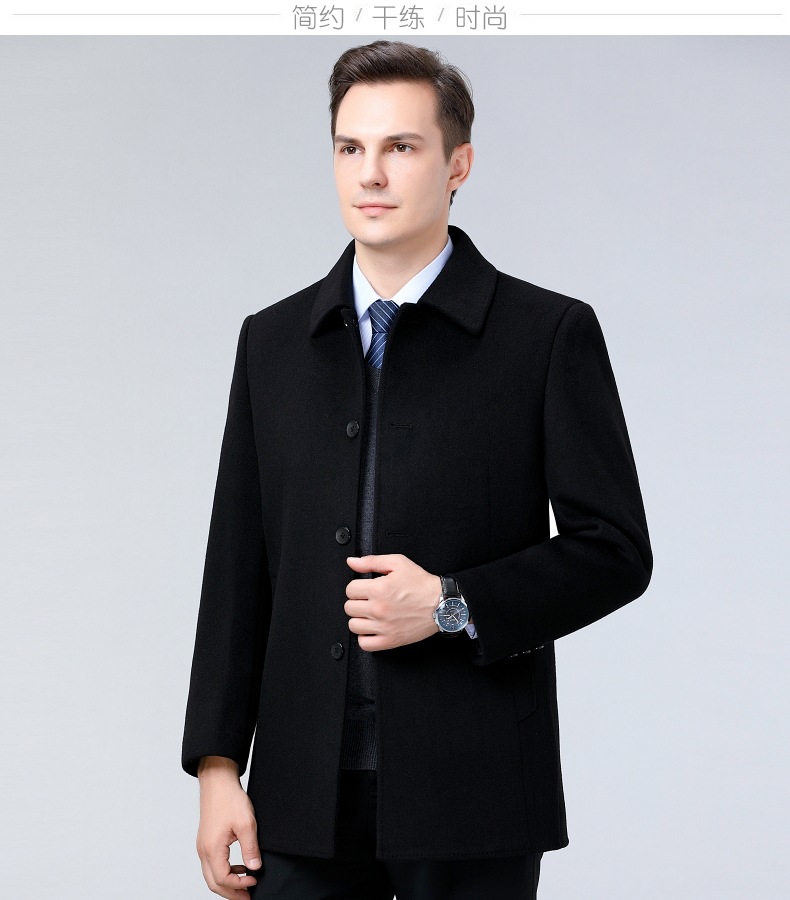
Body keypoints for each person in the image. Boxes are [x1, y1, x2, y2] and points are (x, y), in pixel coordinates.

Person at [181, 39, 652, 900]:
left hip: (475, 790)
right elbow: (238, 568)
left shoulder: (544, 336)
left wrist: (448, 603)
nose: (370, 173)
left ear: (457, 164)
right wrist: (218, 767)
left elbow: (615, 551)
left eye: (401, 146)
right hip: (299, 794)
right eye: (350, 148)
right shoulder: (273, 343)